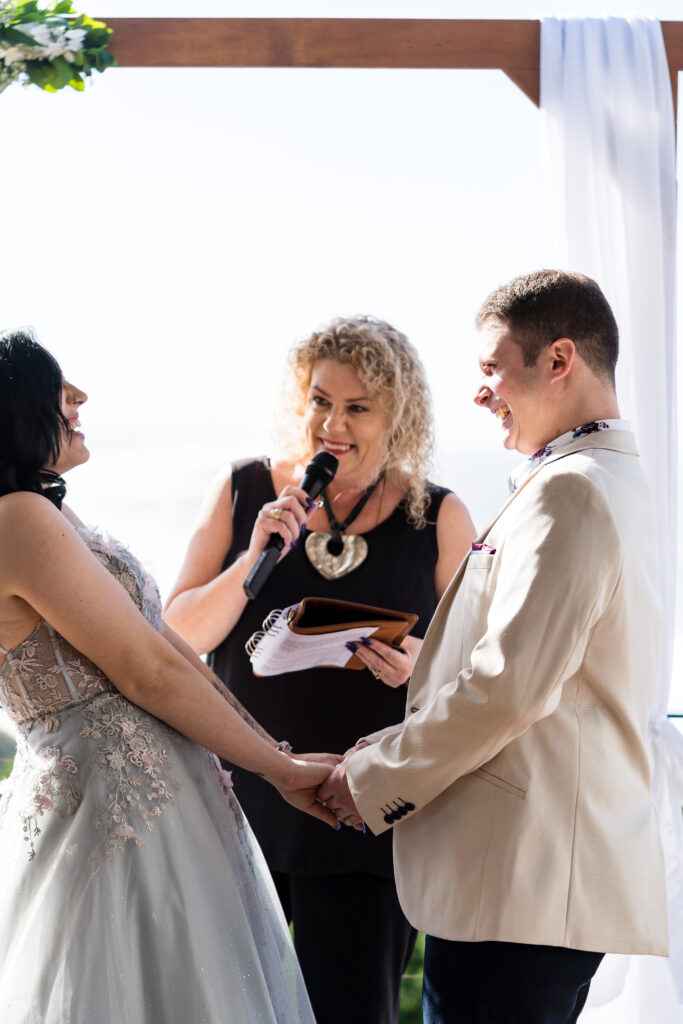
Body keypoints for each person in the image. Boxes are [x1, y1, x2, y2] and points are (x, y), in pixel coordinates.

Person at [319, 272, 669, 1024]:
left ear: (559, 359)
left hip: (516, 888)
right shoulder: (611, 480)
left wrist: (370, 778)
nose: (479, 393)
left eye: (490, 368)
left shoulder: (569, 490)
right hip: (540, 889)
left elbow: (506, 689)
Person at [0, 328, 340, 1024]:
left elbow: (163, 644)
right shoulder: (17, 519)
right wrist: (279, 772)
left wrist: (276, 756)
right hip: (110, 817)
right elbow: (146, 671)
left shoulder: (48, 508)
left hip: (160, 804)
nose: (78, 397)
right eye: (55, 386)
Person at [164, 315, 476, 1024]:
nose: (331, 424)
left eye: (356, 407)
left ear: (397, 414)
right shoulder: (244, 489)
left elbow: (480, 669)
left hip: (364, 808)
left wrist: (419, 666)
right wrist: (253, 559)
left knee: (352, 1009)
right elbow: (175, 640)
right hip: (238, 798)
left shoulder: (441, 517)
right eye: (318, 400)